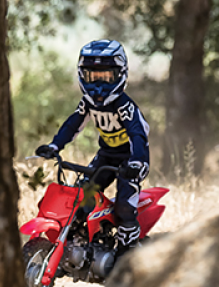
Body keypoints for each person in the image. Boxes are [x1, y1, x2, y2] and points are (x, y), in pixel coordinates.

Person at [35, 39, 150, 257]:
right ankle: (81, 244)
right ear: (82, 75)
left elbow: (138, 135)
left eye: (106, 76)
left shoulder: (125, 106)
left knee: (124, 207)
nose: (98, 84)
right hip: (106, 156)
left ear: (120, 74)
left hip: (130, 159)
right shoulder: (88, 103)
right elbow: (73, 124)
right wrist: (54, 145)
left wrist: (138, 162)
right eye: (92, 76)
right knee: (82, 198)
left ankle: (128, 253)